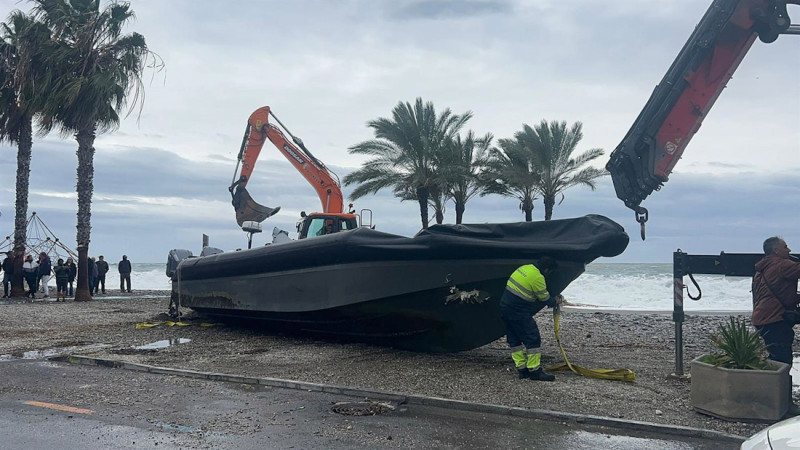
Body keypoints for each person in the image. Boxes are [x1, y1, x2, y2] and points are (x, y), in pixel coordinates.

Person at [752, 236, 800, 416]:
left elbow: (776, 294)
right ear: (776, 251)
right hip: (774, 319)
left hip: (762, 317)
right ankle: (784, 406)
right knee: (783, 362)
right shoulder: (782, 265)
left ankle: (772, 401)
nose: (789, 250)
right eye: (786, 247)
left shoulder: (762, 268)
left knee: (775, 359)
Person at [500, 256, 563, 381]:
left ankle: (522, 370)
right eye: (549, 272)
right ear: (546, 270)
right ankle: (534, 371)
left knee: (514, 339)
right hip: (518, 310)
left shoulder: (525, 268)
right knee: (532, 337)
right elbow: (545, 299)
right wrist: (556, 300)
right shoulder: (538, 278)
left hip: (504, 306)